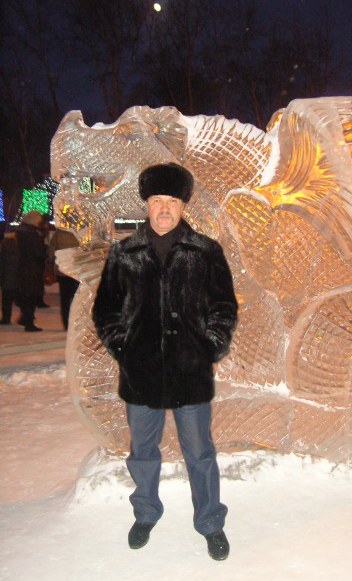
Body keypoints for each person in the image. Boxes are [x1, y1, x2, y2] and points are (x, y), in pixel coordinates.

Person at [93, 163, 238, 561]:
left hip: (191, 375)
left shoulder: (205, 251)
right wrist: (125, 350)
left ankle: (210, 522)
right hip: (140, 376)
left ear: (182, 205)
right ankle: (145, 514)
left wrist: (209, 348)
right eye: (157, 200)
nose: (164, 208)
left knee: (200, 454)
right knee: (142, 452)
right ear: (146, 204)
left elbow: (224, 308)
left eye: (172, 201)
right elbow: (105, 311)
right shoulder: (124, 253)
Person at [15, 211, 47, 332]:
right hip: (32, 269)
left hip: (23, 268)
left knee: (26, 294)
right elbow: (38, 252)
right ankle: (29, 321)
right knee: (31, 295)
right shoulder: (31, 234)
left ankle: (25, 317)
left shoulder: (21, 232)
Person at [48, 227, 80, 330]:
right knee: (76, 298)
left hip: (63, 271)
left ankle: (66, 323)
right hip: (75, 270)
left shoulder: (58, 235)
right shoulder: (78, 234)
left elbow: (51, 253)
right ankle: (75, 322)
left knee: (64, 299)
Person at [0, 230, 19, 325]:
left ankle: (6, 318)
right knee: (21, 299)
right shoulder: (18, 251)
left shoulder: (3, 253)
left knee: (6, 300)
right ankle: (27, 316)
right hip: (17, 278)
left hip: (6, 279)